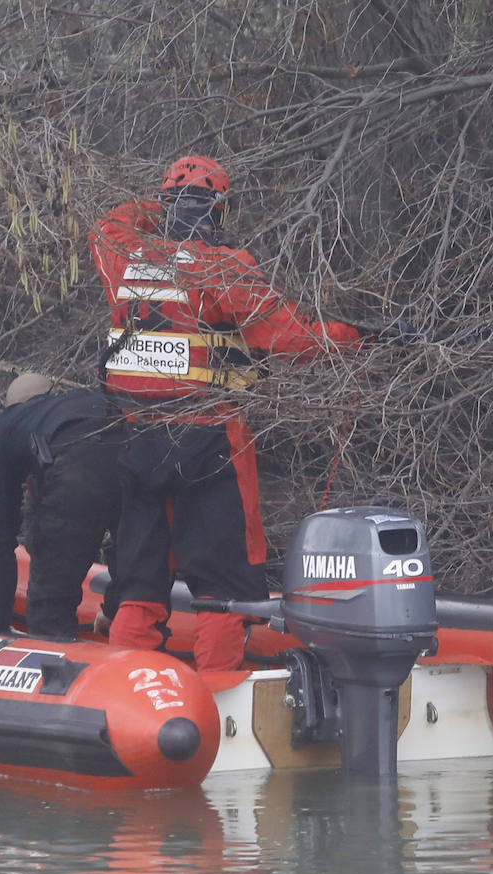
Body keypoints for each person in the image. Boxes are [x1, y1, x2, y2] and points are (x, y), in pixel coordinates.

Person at [89, 154, 361, 671]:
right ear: (218, 209)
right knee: (223, 588)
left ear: (166, 202)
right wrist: (359, 337)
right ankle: (218, 699)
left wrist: (164, 205)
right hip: (209, 439)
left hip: (135, 437)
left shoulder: (120, 251)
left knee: (139, 584)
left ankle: (125, 689)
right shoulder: (225, 266)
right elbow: (294, 339)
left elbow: (112, 219)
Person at [0, 373, 124, 639]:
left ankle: (53, 663)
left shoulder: (4, 429)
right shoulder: (79, 404)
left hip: (77, 463)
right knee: (138, 562)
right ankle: (130, 635)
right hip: (133, 443)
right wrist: (114, 604)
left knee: (50, 602)